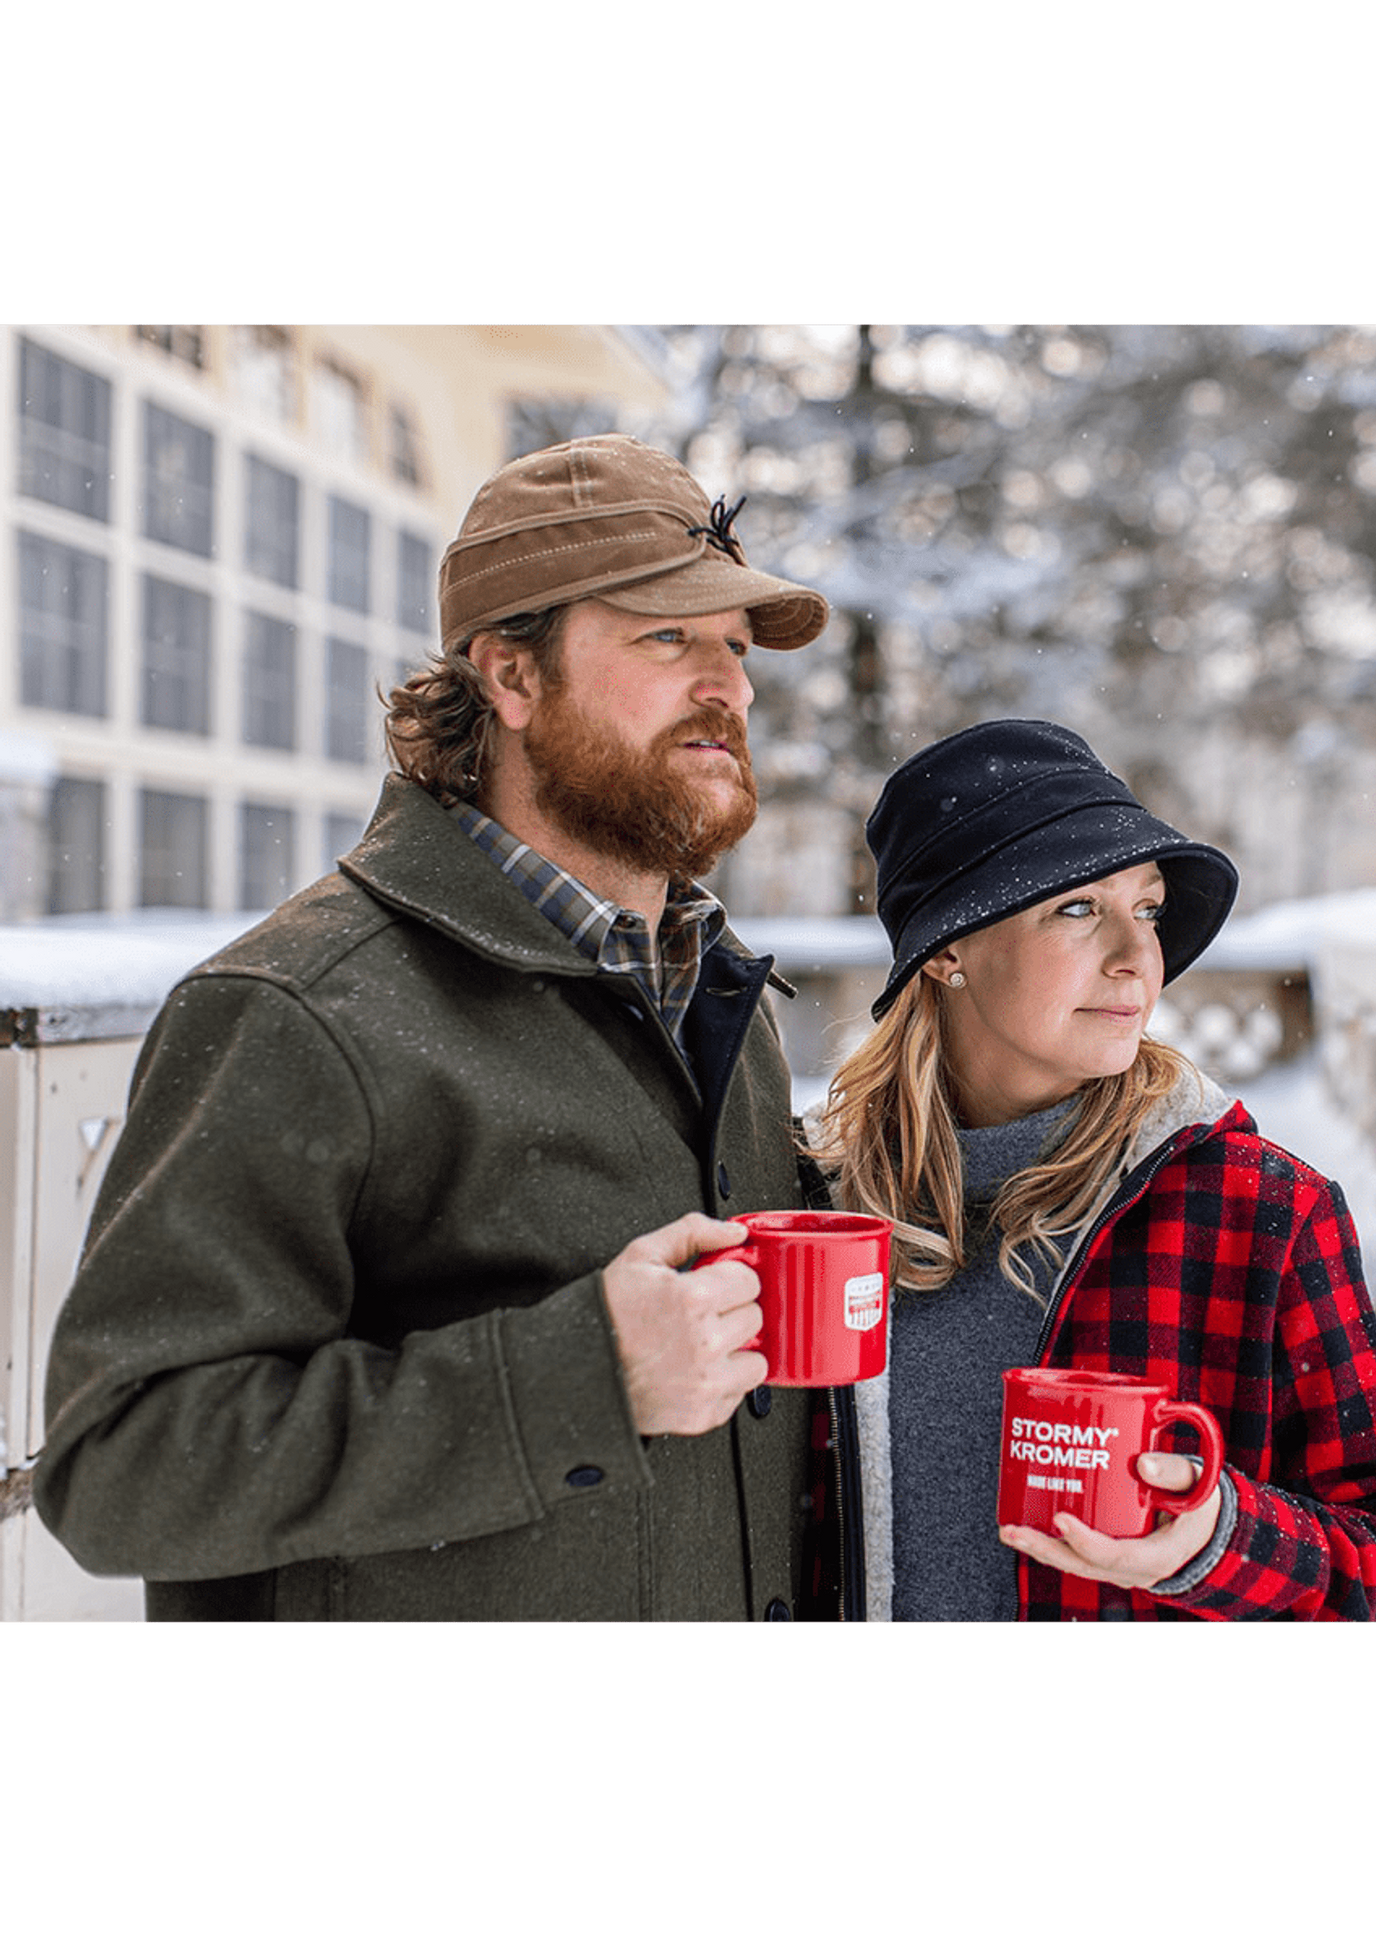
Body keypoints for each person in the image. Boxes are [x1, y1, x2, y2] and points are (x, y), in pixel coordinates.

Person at [34, 435, 857, 1624]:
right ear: (510, 678)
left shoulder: (715, 995)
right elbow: (120, 1464)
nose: (725, 686)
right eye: (665, 635)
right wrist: (583, 1377)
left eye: (733, 645)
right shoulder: (299, 1009)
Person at [811, 719, 1376, 1623]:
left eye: (1145, 909)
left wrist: (1217, 1538)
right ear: (948, 950)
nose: (1135, 956)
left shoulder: (1260, 1211)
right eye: (1077, 908)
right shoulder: (813, 1210)